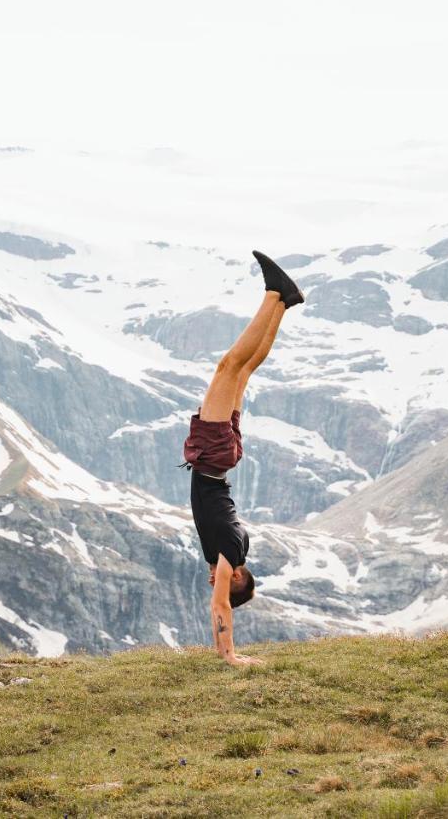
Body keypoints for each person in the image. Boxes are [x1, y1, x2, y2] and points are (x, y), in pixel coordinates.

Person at [180, 250, 304, 667]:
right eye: (220, 582)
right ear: (236, 576)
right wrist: (229, 656)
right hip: (213, 456)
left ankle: (284, 303)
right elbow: (221, 608)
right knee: (229, 365)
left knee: (242, 371)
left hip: (222, 457)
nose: (212, 580)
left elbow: (222, 598)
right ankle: (274, 294)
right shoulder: (229, 552)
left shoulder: (237, 546)